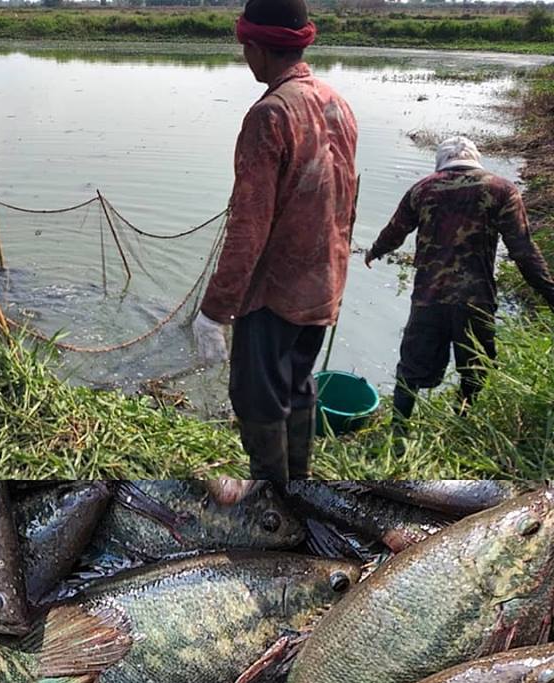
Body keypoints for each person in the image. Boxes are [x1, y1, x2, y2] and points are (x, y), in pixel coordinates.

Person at [192, 0, 358, 482]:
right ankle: (300, 484)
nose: (246, 56)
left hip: (274, 293)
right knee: (297, 384)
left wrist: (214, 311)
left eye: (247, 47)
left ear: (259, 49)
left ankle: (274, 500)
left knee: (257, 398)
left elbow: (249, 227)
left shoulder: (270, 115)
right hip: (324, 283)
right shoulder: (337, 103)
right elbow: (343, 199)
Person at [366, 135, 554, 437]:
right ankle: (463, 425)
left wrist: (375, 251)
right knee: (475, 368)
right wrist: (548, 291)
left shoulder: (423, 189)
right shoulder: (501, 190)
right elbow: (524, 251)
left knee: (412, 368)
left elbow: (395, 231)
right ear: (475, 159)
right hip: (476, 300)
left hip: (429, 299)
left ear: (441, 162)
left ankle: (399, 432)